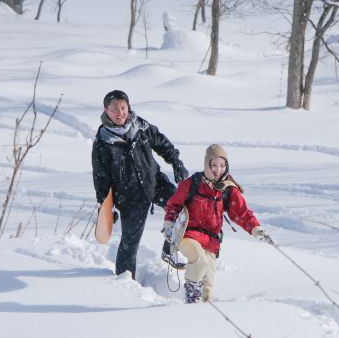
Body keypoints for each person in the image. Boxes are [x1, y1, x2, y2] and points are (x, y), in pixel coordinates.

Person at [92, 89, 188, 279]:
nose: (120, 113)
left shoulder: (140, 126)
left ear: (128, 107)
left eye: (123, 107)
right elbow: (101, 177)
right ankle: (125, 282)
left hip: (155, 182)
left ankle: (169, 250)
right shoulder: (103, 142)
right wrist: (105, 206)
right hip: (129, 197)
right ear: (106, 111)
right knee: (130, 243)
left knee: (182, 210)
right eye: (114, 109)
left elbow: (162, 143)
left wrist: (176, 163)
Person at [162, 144, 276, 303]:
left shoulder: (229, 189)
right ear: (207, 164)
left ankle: (204, 313)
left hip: (211, 240)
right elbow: (173, 205)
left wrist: (256, 229)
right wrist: (168, 224)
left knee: (208, 286)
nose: (218, 169)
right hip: (188, 235)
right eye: (214, 165)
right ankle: (191, 300)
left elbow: (242, 213)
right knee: (199, 263)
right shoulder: (192, 183)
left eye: (222, 165)